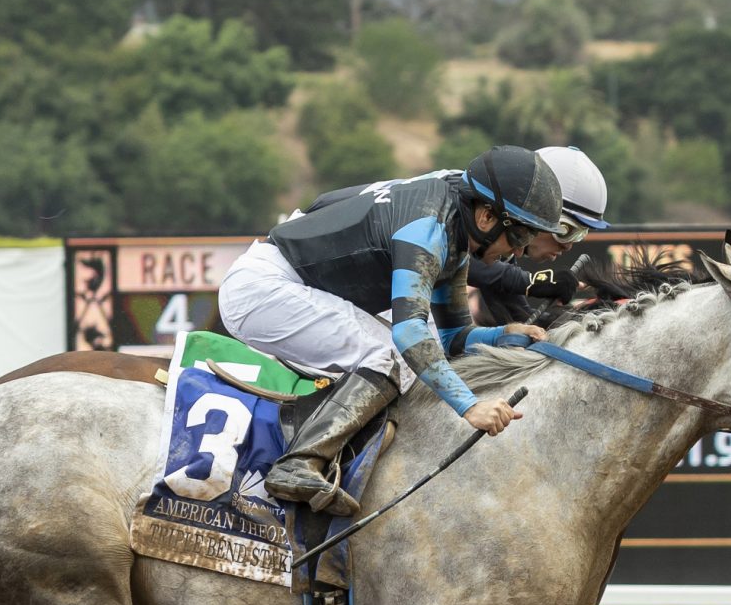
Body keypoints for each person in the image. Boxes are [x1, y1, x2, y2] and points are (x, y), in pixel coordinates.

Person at [219, 145, 563, 515]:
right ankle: (297, 464)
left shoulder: (455, 230)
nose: (520, 252)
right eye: (520, 238)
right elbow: (409, 333)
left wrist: (503, 335)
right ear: (486, 216)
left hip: (287, 282)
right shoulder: (429, 227)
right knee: (389, 354)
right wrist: (470, 407)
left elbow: (449, 339)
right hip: (263, 289)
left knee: (400, 354)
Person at [466, 145, 614, 328]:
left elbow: (518, 318)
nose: (568, 247)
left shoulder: (501, 248)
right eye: (564, 230)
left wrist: (575, 318)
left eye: (580, 235)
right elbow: (457, 261)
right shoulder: (454, 208)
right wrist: (534, 282)